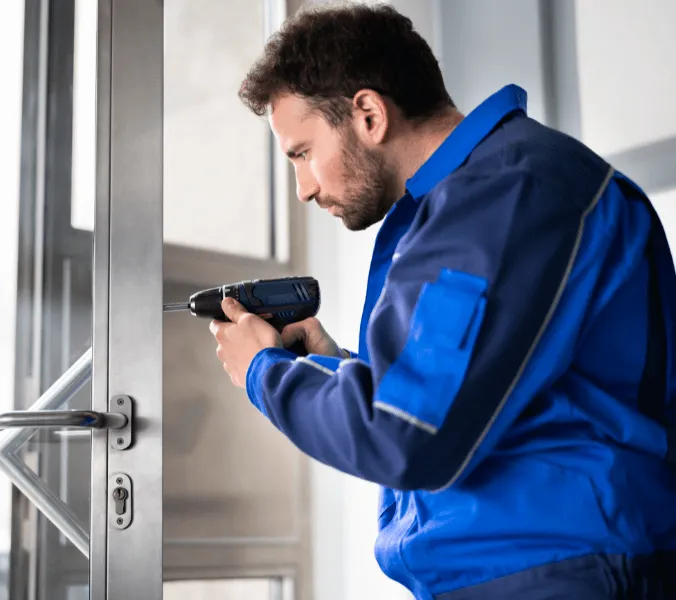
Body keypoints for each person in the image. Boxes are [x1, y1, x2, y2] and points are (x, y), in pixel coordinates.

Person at [208, 3, 676, 599]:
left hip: (560, 567)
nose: (303, 188)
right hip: (527, 566)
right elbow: (472, 395)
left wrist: (262, 372)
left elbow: (405, 437)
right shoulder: (468, 202)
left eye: (302, 153)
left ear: (369, 114)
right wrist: (335, 364)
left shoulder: (505, 195)